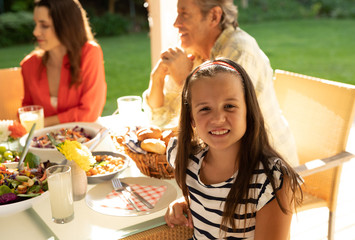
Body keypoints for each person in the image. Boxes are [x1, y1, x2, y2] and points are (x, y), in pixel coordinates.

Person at [143, 0, 299, 166]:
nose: (176, 23)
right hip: (221, 167)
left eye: (184, 14)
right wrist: (157, 79)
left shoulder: (239, 52)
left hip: (265, 171)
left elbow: (222, 129)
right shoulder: (194, 54)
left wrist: (184, 79)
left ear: (214, 16)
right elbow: (160, 120)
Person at [165, 59, 303, 239]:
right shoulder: (186, 159)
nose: (218, 118)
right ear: (192, 119)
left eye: (229, 106)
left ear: (248, 110)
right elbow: (212, 202)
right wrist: (186, 202)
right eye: (205, 108)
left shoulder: (271, 181)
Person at [20, 0, 106, 127]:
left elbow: (90, 112)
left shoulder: (90, 53)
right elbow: (26, 111)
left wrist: (42, 123)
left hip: (85, 140)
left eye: (44, 25)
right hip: (42, 144)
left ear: (66, 25)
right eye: (36, 24)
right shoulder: (29, 65)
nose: (35, 32)